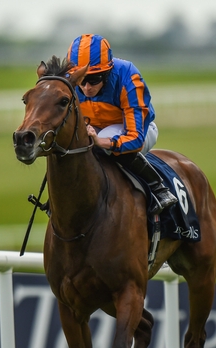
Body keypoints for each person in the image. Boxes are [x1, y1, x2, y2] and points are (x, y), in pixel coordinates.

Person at [67, 34, 178, 215]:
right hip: (96, 130)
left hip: (139, 131)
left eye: (94, 79)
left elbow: (135, 139)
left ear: (108, 72)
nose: (86, 88)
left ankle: (158, 187)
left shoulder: (127, 75)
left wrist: (102, 142)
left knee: (100, 142)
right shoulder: (69, 81)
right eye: (81, 80)